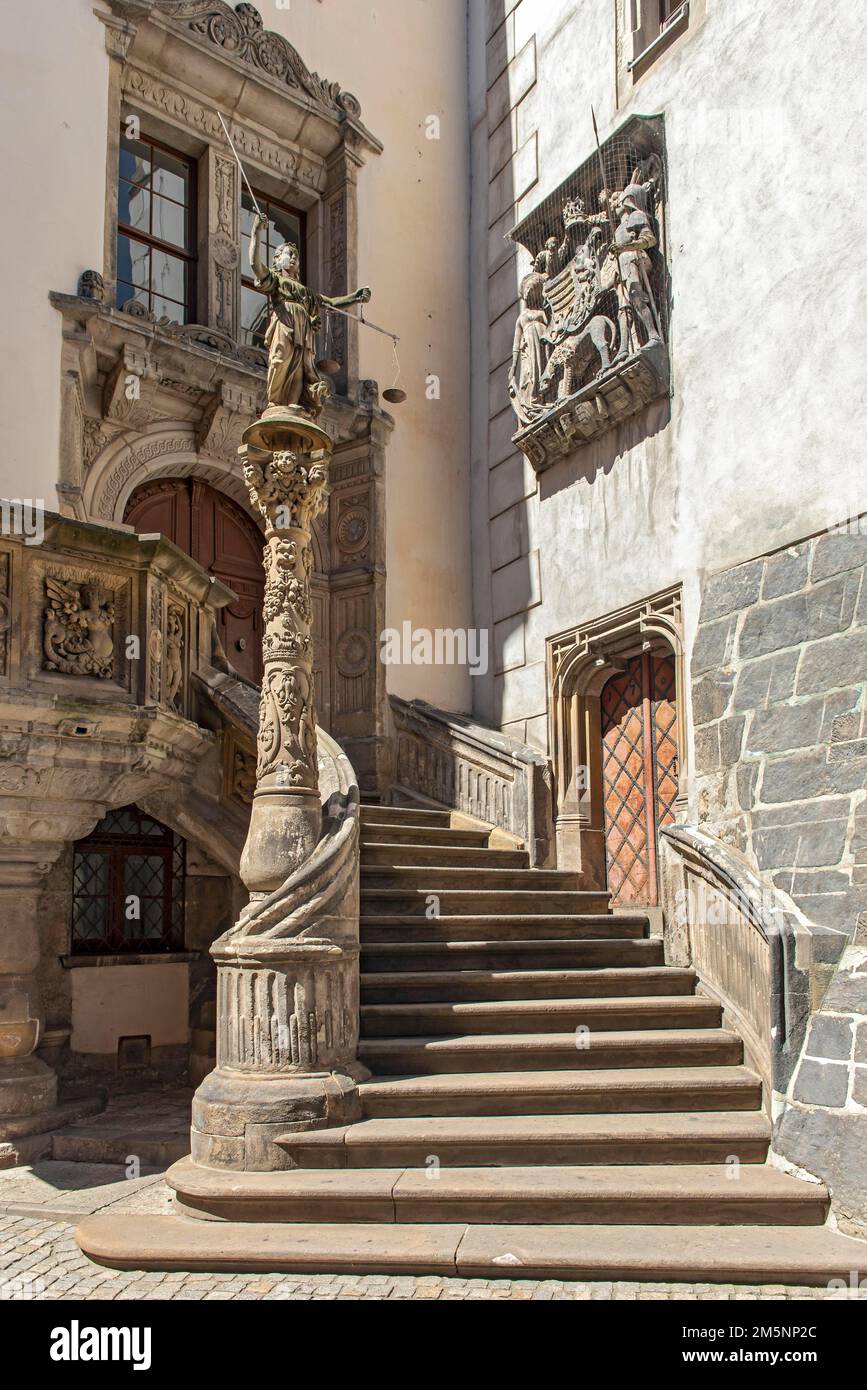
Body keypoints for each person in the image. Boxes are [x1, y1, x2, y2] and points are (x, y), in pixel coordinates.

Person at [249, 211, 371, 417]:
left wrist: (355, 297)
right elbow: (255, 264)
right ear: (278, 262)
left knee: (300, 368)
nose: (295, 257)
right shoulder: (277, 282)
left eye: (296, 255)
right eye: (289, 253)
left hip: (303, 331)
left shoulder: (307, 293)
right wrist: (255, 232)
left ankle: (293, 403)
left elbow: (331, 303)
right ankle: (275, 402)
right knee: (280, 361)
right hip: (285, 325)